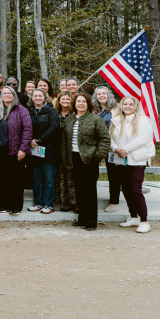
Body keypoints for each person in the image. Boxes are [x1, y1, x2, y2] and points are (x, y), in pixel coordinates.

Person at [61, 93, 110, 230]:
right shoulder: (69, 119)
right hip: (74, 159)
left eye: (83, 101)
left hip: (89, 160)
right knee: (79, 191)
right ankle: (82, 219)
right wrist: (66, 160)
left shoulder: (95, 119)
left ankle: (91, 221)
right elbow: (65, 142)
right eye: (78, 101)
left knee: (89, 191)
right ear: (74, 104)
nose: (81, 104)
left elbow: (105, 139)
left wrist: (97, 156)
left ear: (88, 104)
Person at [0, 86, 32, 215]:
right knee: (1, 178)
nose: (6, 95)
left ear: (14, 95)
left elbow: (27, 131)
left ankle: (15, 206)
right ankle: (2, 204)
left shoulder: (21, 110)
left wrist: (23, 149)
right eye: (4, 93)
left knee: (15, 179)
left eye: (9, 93)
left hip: (15, 150)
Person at [111, 96, 154, 233]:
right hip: (120, 160)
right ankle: (133, 217)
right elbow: (110, 138)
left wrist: (125, 149)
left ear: (135, 106)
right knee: (126, 189)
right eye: (125, 104)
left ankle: (144, 221)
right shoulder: (116, 120)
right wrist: (116, 149)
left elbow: (143, 139)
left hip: (136, 161)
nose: (128, 106)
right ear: (121, 106)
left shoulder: (143, 120)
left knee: (136, 190)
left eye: (131, 104)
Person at [26, 88, 61, 214]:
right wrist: (30, 140)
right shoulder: (28, 111)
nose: (38, 98)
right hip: (33, 149)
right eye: (35, 96)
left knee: (48, 179)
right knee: (36, 179)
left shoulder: (51, 111)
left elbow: (54, 128)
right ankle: (38, 203)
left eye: (40, 96)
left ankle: (48, 204)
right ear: (32, 98)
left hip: (49, 150)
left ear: (44, 97)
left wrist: (39, 140)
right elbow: (25, 127)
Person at [94, 86, 120, 213]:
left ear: (108, 95)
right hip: (95, 146)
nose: (101, 96)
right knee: (92, 173)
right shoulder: (94, 109)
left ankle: (114, 202)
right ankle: (90, 198)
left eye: (104, 93)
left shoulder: (116, 109)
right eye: (99, 94)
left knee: (113, 174)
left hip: (111, 146)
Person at [54, 91, 76, 212]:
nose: (65, 101)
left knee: (72, 176)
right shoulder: (55, 113)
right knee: (61, 176)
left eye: (68, 99)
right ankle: (67, 201)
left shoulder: (75, 114)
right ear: (59, 101)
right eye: (63, 99)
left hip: (71, 148)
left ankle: (76, 202)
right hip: (57, 148)